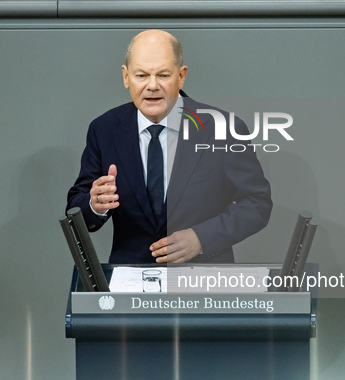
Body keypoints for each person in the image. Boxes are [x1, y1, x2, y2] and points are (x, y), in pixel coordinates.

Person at [66, 29, 272, 265]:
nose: (152, 86)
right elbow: (76, 209)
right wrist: (95, 205)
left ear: (181, 76)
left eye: (163, 75)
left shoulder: (223, 128)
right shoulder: (104, 129)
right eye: (141, 75)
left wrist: (201, 239)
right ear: (126, 77)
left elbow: (257, 204)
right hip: (130, 283)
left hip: (204, 281)